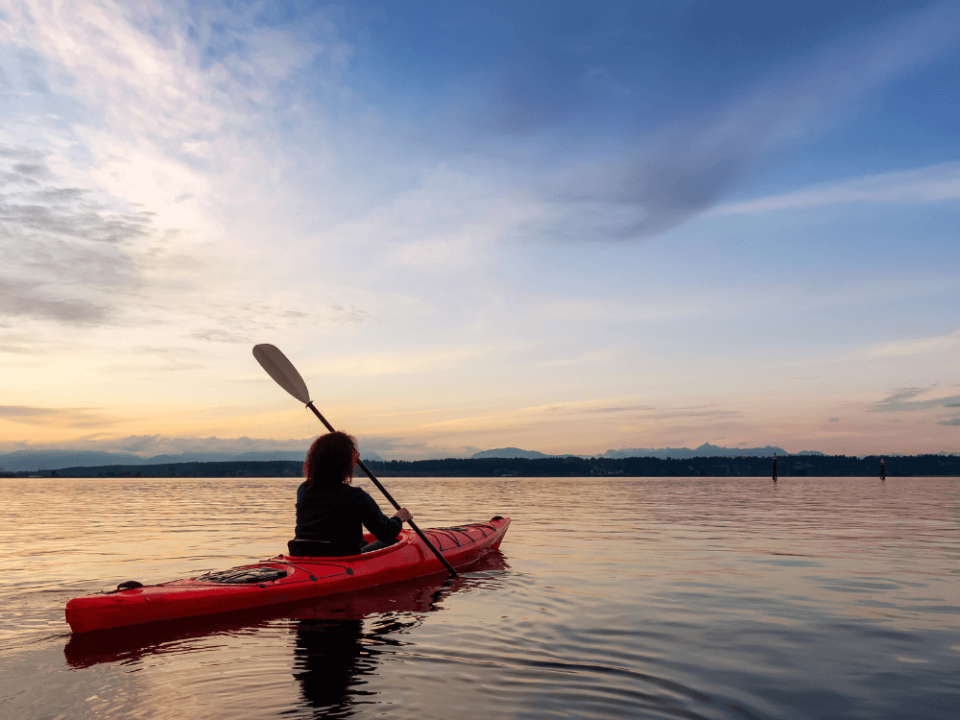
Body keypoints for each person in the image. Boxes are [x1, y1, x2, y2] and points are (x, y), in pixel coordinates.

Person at [289, 431, 412, 557]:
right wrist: (398, 518)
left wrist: (349, 457)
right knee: (392, 541)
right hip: (341, 557)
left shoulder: (303, 490)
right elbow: (386, 533)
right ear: (343, 462)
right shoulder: (356, 496)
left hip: (303, 553)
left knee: (363, 542)